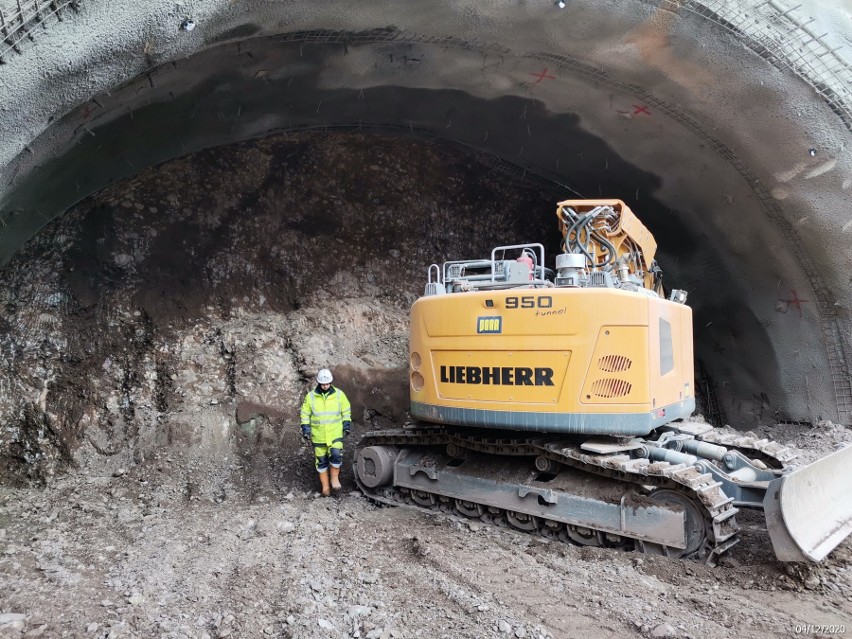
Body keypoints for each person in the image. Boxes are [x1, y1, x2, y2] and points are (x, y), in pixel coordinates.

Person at [299, 368, 352, 496]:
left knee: (335, 454)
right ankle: (326, 488)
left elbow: (346, 410)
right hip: (319, 436)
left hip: (335, 434)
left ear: (331, 382)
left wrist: (346, 424)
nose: (325, 386)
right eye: (323, 384)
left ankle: (334, 479)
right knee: (321, 461)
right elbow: (305, 413)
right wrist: (306, 429)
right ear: (318, 383)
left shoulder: (339, 395)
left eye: (327, 384)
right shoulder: (311, 397)